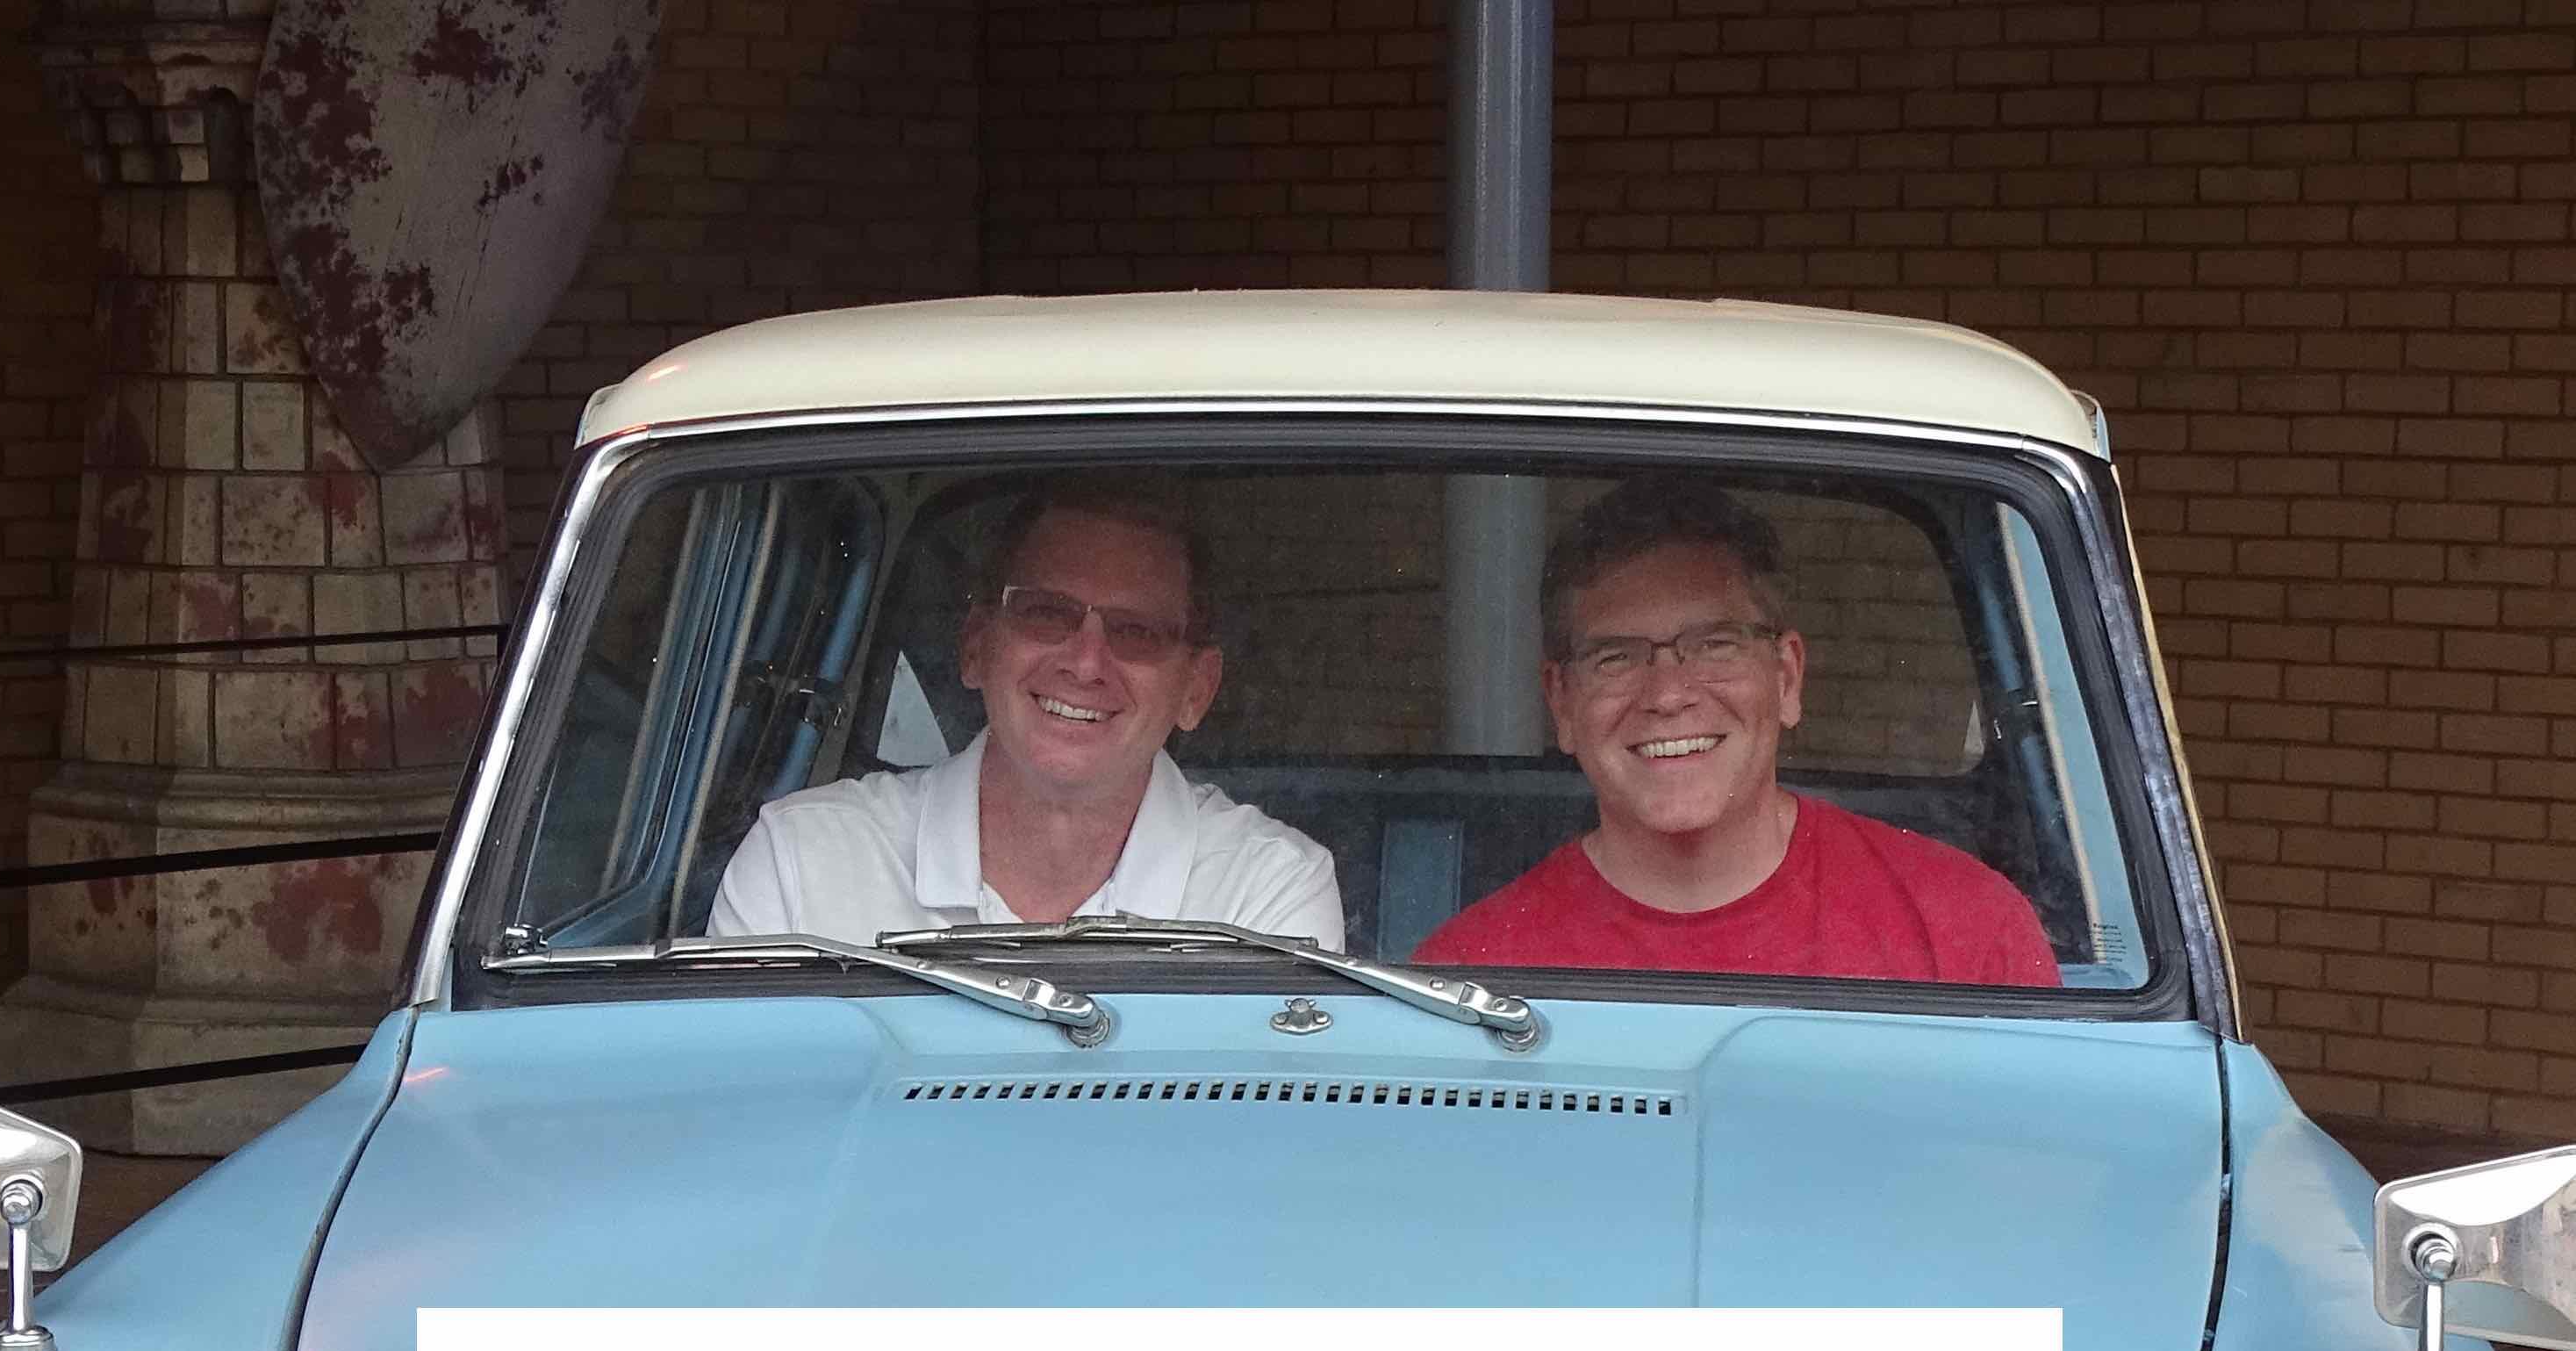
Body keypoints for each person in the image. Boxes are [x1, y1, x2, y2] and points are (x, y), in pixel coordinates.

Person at [1415, 477, 2060, 987]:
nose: (1667, 695)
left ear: (1786, 677)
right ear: (1561, 701)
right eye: (1615, 657)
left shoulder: (1968, 931)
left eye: (1715, 645)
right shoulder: (1467, 970)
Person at [709, 485, 1343, 950]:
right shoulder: (802, 859)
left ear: (1195, 690)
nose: (1086, 663)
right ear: (976, 645)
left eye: (1136, 631)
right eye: (1045, 613)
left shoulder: (1267, 892)